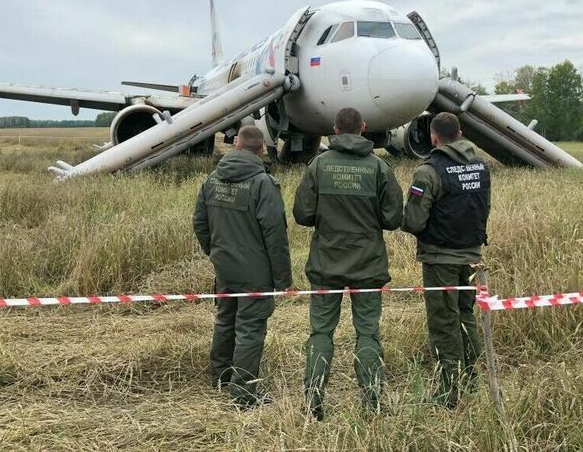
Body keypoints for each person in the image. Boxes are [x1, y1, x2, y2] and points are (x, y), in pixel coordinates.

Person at [293, 108, 403, 420]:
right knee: (367, 332)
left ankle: (314, 401)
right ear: (364, 128)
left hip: (327, 264)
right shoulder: (380, 167)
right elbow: (393, 219)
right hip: (367, 265)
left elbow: (302, 215)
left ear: (335, 129)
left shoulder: (318, 165)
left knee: (321, 333)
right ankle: (373, 400)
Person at [192, 125, 292, 409]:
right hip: (255, 273)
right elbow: (275, 235)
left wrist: (216, 253)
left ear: (236, 145)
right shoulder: (263, 183)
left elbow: (199, 223)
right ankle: (244, 394)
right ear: (261, 149)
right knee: (250, 329)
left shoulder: (211, 180)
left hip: (225, 268)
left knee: (225, 320)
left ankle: (221, 377)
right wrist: (283, 279)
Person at [401, 112, 490, 409]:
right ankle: (472, 380)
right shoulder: (481, 167)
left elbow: (414, 220)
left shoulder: (428, 171)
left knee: (443, 322)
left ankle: (448, 391)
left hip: (440, 259)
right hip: (473, 256)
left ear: (433, 138)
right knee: (466, 316)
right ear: (461, 133)